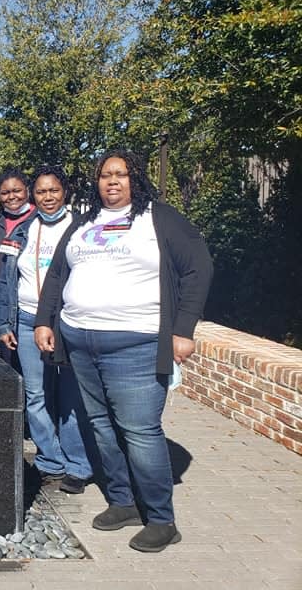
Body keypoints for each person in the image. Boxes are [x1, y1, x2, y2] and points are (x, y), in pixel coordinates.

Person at [34, 150, 213, 553]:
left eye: (121, 174)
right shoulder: (84, 222)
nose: (111, 181)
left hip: (137, 344)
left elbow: (198, 268)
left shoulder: (160, 219)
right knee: (100, 426)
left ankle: (162, 519)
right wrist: (46, 320)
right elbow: (59, 273)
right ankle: (122, 501)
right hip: (80, 342)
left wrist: (183, 329)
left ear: (136, 179)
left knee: (140, 431)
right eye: (104, 175)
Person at [0, 166, 92, 493]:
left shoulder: (81, 228)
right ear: (33, 195)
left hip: (68, 323)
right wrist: (3, 321)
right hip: (25, 320)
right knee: (35, 396)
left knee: (70, 396)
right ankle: (51, 461)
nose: (47, 197)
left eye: (53, 191)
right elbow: (7, 280)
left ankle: (79, 464)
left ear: (64, 192)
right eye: (41, 192)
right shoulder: (22, 230)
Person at [0, 168, 36, 359]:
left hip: (25, 315)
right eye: (5, 193)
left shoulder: (37, 221)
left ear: (27, 190)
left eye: (17, 190)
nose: (11, 197)